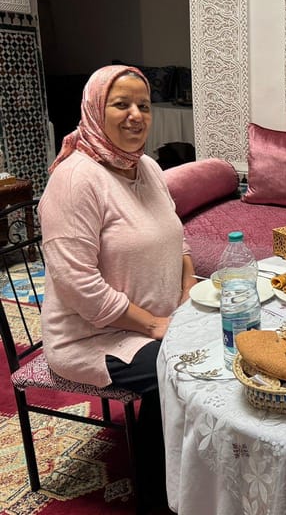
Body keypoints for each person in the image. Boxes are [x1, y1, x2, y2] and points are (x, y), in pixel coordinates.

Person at [39, 65, 196, 512]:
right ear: (94, 109)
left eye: (143, 106)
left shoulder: (145, 166)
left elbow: (178, 237)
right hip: (93, 337)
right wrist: (154, 325)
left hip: (161, 318)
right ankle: (161, 497)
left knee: (221, 342)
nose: (135, 116)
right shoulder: (74, 180)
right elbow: (78, 287)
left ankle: (200, 471)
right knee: (182, 370)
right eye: (121, 104)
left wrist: (187, 287)